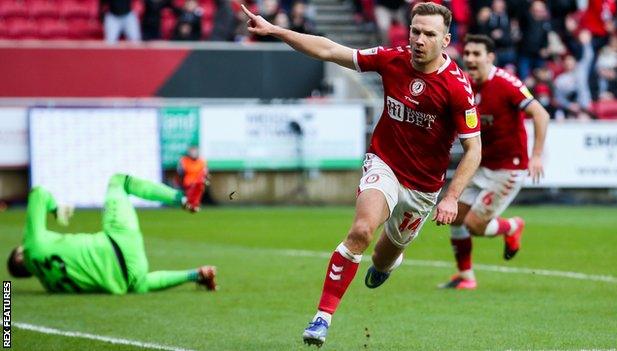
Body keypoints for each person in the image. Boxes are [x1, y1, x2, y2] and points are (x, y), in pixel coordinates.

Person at [241, 2, 482, 347]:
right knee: (361, 230)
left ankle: (387, 263)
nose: (419, 40)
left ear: (445, 41)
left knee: (384, 257)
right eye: (415, 31)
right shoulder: (391, 58)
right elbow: (329, 49)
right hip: (384, 164)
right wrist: (276, 31)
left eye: (429, 34)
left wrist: (452, 197)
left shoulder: (456, 88)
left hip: (423, 188)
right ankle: (322, 318)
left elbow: (474, 150)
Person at [438, 34, 549, 290]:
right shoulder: (464, 83)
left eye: (476, 54)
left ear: (490, 57)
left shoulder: (506, 84)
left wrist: (537, 155)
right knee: (454, 218)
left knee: (474, 225)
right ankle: (466, 278)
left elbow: (540, 114)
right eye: (467, 54)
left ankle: (511, 227)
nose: (470, 59)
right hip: (480, 165)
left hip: (508, 168)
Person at [6, 173, 213, 294]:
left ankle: (196, 275)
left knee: (142, 284)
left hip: (129, 279)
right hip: (118, 242)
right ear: (20, 255)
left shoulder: (51, 286)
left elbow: (144, 285)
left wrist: (192, 276)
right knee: (119, 181)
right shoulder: (31, 246)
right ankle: (184, 198)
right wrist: (54, 209)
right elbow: (38, 193)